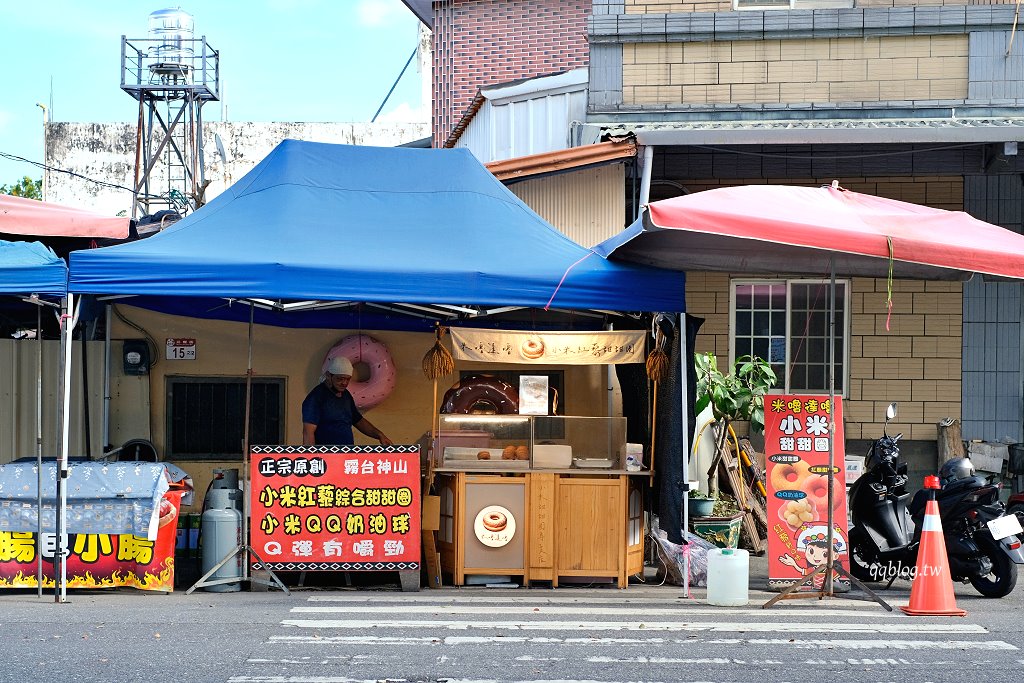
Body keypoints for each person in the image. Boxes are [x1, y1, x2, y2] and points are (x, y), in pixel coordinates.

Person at [302, 356, 393, 446]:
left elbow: (358, 420)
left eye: (347, 379)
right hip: (326, 455)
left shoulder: (346, 395)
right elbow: (308, 432)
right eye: (340, 379)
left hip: (346, 454)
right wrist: (311, 458)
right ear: (329, 376)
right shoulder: (316, 397)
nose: (344, 383)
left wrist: (379, 435)